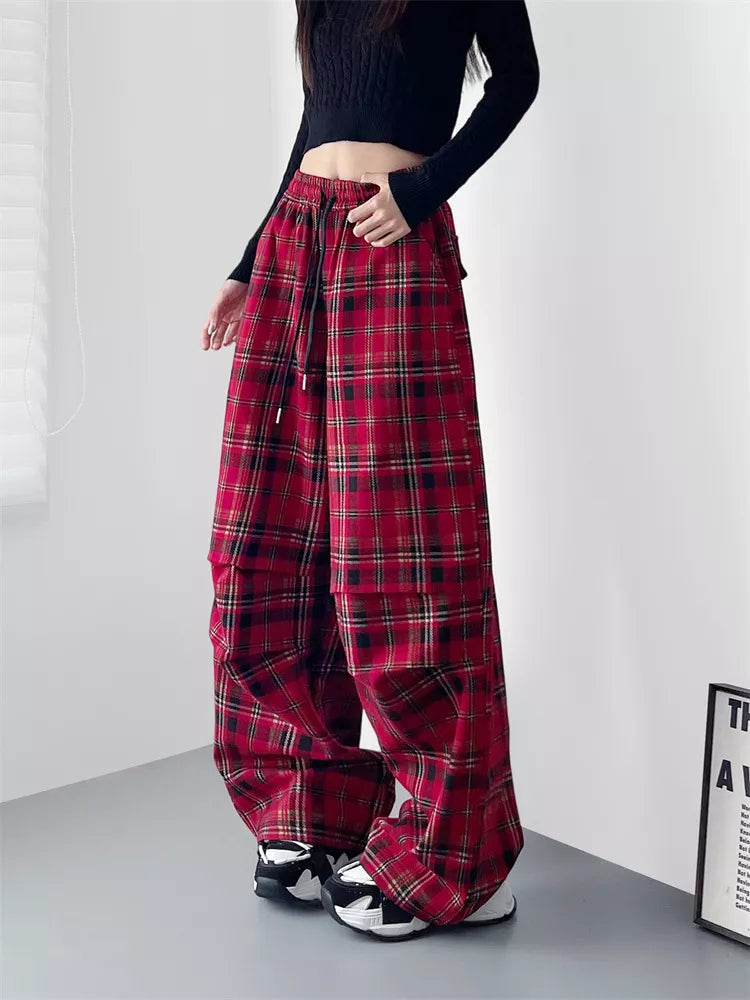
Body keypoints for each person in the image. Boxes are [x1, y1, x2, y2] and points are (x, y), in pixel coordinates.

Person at [203, 0, 539, 943]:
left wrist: (425, 189)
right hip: (296, 243)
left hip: (390, 242)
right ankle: (311, 805)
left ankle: (454, 852)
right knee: (267, 539)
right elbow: (316, 123)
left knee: (404, 558)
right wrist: (249, 261)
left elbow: (517, 79)